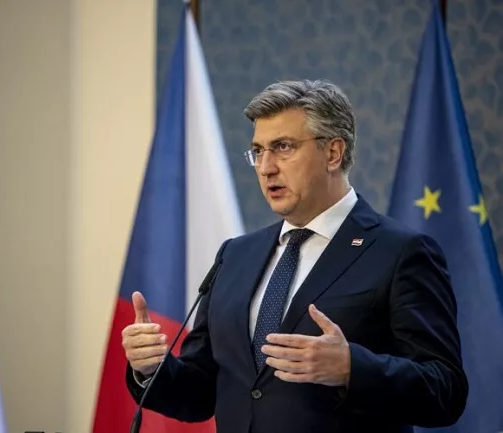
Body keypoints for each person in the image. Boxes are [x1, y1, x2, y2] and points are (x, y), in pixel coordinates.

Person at [121, 79, 468, 433]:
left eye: (283, 147)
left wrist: (351, 368)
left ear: (333, 153)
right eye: (258, 151)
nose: (266, 167)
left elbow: (445, 389)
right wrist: (151, 368)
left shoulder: (400, 252)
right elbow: (201, 391)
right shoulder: (234, 255)